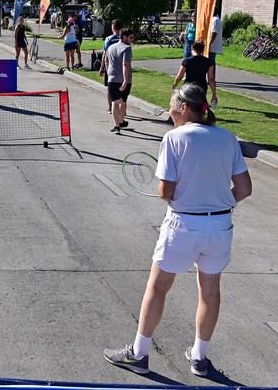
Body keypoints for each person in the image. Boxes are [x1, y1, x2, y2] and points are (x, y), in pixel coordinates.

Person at [104, 83, 252, 377]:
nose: (169, 110)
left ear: (184, 108)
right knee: (210, 291)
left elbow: (165, 192)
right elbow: (244, 189)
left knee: (158, 287)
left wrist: (184, 197)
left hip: (184, 224)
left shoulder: (174, 138)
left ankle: (138, 354)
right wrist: (217, 201)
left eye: (172, 105)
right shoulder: (227, 138)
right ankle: (199, 358)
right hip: (220, 225)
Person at [103, 28, 134, 134]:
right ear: (124, 37)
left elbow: (106, 61)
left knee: (115, 102)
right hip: (124, 79)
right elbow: (125, 64)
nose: (131, 40)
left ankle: (117, 125)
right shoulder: (127, 48)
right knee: (123, 101)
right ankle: (120, 121)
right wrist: (125, 80)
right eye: (130, 37)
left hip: (112, 79)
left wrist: (109, 73)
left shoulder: (110, 48)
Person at [173, 41, 217, 107]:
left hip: (188, 86)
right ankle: (205, 112)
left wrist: (175, 84)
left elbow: (179, 76)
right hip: (202, 86)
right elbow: (211, 79)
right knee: (202, 103)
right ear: (203, 49)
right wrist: (214, 94)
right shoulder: (208, 61)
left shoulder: (187, 61)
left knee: (187, 104)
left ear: (192, 48)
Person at [99, 20, 122, 114]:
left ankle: (110, 107)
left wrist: (101, 68)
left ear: (113, 26)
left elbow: (105, 54)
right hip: (121, 67)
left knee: (110, 88)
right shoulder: (123, 38)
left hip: (111, 67)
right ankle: (122, 108)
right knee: (122, 88)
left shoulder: (109, 39)